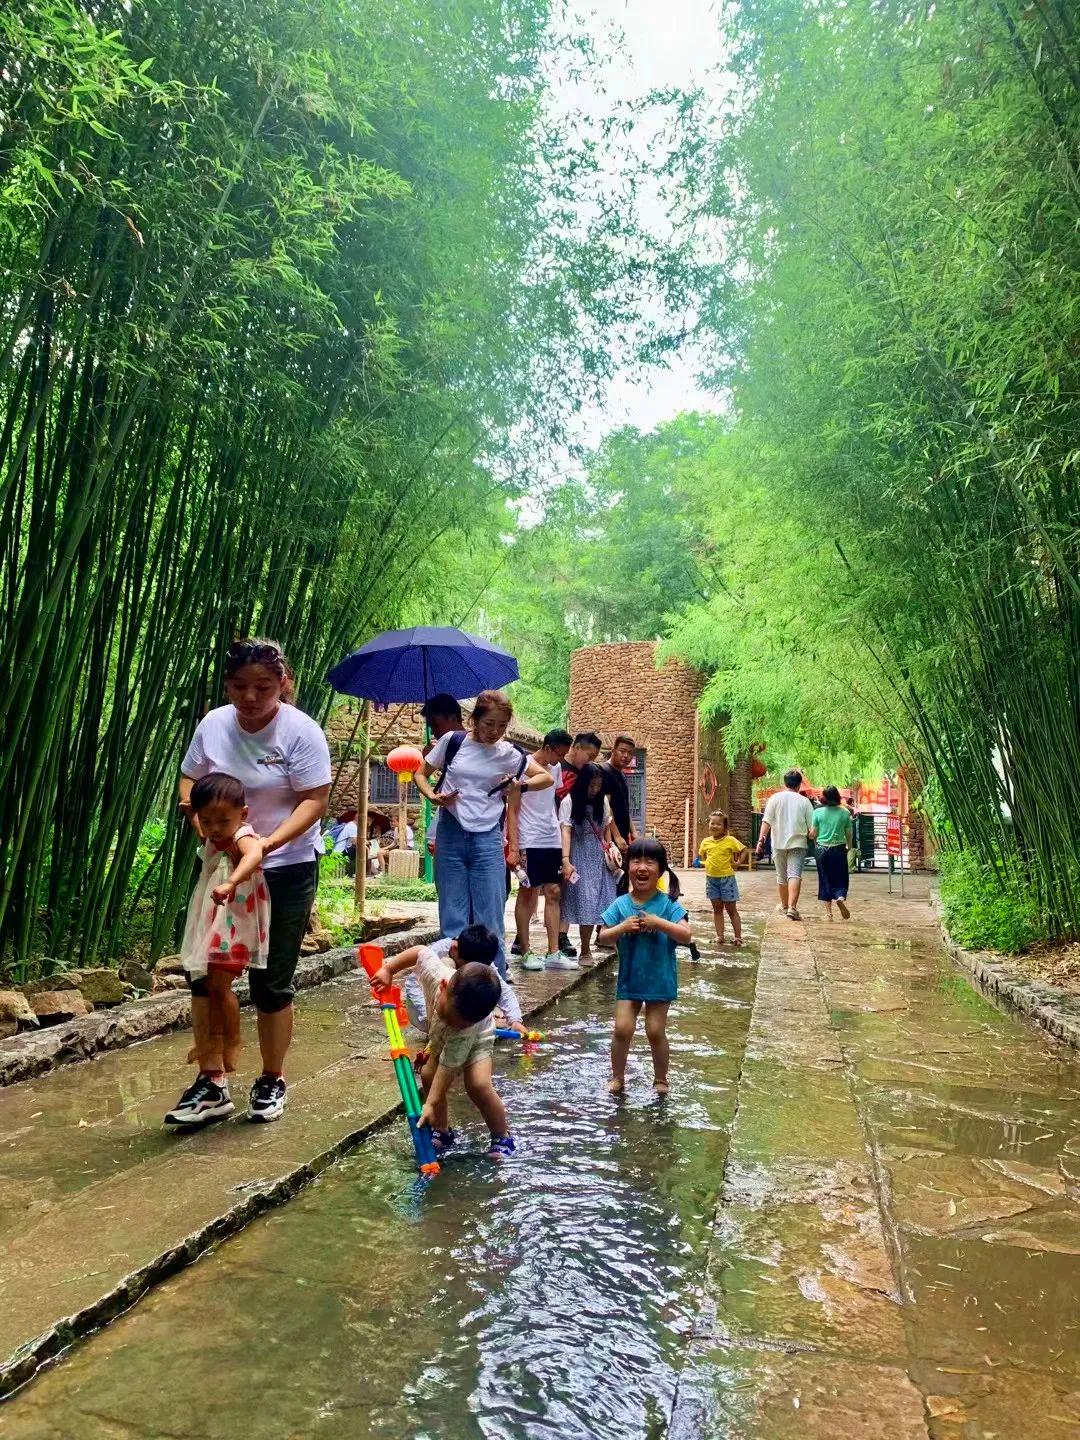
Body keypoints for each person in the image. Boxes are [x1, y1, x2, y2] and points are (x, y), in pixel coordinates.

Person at [167, 638, 331, 1126]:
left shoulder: (301, 732)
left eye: (263, 687)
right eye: (239, 686)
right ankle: (212, 1081)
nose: (251, 697)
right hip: (220, 869)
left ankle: (271, 1079)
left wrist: (265, 844)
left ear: (282, 683)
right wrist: (198, 818)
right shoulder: (213, 724)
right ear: (226, 686)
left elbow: (315, 800)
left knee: (270, 981)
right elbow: (189, 780)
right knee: (205, 974)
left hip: (286, 869)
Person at [415, 690, 553, 978]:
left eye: (502, 725)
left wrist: (518, 787)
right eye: (489, 723)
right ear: (474, 719)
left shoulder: (509, 753)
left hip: (488, 838)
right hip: (451, 832)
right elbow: (420, 773)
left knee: (489, 917)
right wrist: (432, 796)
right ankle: (451, 982)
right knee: (452, 915)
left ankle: (496, 982)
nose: (495, 731)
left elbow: (545, 777)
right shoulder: (452, 742)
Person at [165, 774, 271, 1125]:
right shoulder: (212, 830)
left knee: (220, 986)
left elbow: (255, 852)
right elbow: (198, 815)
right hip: (214, 917)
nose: (214, 828)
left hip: (234, 920)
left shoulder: (241, 833)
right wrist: (194, 814)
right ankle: (212, 1045)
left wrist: (231, 881)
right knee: (208, 986)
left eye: (223, 821)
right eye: (206, 821)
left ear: (243, 814)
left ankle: (233, 1041)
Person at [372, 942, 514, 1160]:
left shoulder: (464, 1029)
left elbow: (448, 1068)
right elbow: (420, 952)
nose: (453, 1023)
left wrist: (428, 1104)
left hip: (479, 1038)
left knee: (478, 1085)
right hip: (439, 1034)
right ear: (444, 986)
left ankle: (501, 1135)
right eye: (449, 1016)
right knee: (428, 1075)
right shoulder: (436, 974)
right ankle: (442, 1131)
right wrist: (388, 969)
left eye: (459, 1023)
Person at [598, 839, 692, 1097]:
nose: (642, 867)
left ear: (661, 871)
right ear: (627, 867)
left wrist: (659, 923)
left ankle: (661, 1079)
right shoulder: (620, 904)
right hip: (629, 980)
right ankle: (617, 1076)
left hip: (660, 979)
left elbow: (686, 935)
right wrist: (622, 928)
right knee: (622, 1029)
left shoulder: (668, 905)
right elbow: (602, 937)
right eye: (636, 861)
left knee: (654, 1030)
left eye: (650, 862)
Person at [507, 727, 572, 972]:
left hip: (550, 837)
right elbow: (512, 811)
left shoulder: (555, 769)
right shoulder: (522, 767)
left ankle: (553, 952)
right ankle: (525, 951)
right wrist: (514, 847)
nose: (561, 759)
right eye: (559, 753)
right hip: (529, 838)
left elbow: (549, 803)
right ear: (547, 748)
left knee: (554, 891)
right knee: (528, 892)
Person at [559, 762, 618, 964]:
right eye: (591, 785)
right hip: (580, 855)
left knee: (602, 900)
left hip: (599, 857)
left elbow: (606, 826)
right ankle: (585, 950)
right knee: (586, 900)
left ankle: (605, 940)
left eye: (598, 785)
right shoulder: (569, 801)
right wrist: (566, 860)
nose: (594, 789)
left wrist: (610, 847)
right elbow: (565, 830)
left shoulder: (603, 801)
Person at [755, 769, 815, 921]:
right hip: (798, 843)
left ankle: (784, 905)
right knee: (794, 875)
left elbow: (766, 821)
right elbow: (812, 829)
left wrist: (760, 841)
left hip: (778, 843)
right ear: (799, 784)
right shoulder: (804, 801)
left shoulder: (774, 798)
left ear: (785, 782)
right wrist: (814, 838)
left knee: (781, 876)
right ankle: (793, 908)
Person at [420, 695, 464, 859]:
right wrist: (431, 758)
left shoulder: (476, 745)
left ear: (453, 718)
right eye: (431, 727)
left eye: (436, 725)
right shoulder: (445, 747)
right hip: (449, 822)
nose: (434, 732)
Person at [699, 811, 748, 946]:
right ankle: (720, 936)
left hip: (727, 880)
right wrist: (706, 864)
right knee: (717, 909)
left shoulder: (730, 840)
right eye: (712, 823)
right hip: (711, 880)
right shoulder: (705, 842)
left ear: (725, 828)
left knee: (731, 909)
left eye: (718, 824)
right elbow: (702, 856)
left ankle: (738, 937)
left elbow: (744, 850)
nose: (714, 826)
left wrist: (738, 863)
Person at [813, 785, 854, 920]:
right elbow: (849, 834)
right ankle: (840, 897)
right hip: (839, 849)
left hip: (822, 850)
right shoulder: (845, 813)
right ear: (837, 797)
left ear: (824, 798)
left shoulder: (817, 812)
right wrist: (849, 847)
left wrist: (810, 835)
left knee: (825, 880)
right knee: (841, 878)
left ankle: (829, 913)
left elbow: (813, 833)